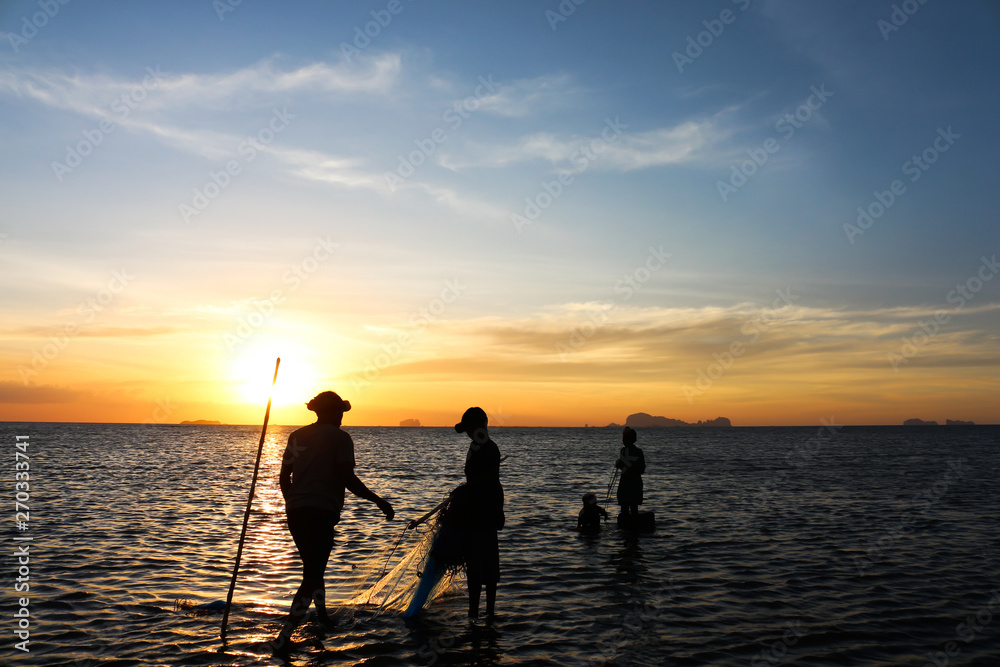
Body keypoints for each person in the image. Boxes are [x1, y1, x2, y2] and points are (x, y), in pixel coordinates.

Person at [272, 391, 394, 653]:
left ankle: (323, 617)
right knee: (313, 574)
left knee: (314, 569)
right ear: (330, 412)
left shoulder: (297, 436)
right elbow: (347, 478)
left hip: (296, 513)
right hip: (321, 513)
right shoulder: (341, 438)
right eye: (339, 412)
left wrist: (292, 502)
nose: (341, 417)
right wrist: (378, 500)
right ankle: (285, 635)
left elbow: (284, 477)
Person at [454, 406, 504, 621]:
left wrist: (468, 487)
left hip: (484, 512)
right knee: (477, 564)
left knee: (484, 564)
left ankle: (486, 613)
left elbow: (491, 476)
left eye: (469, 428)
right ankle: (476, 614)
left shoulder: (488, 447)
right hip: (476, 512)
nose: (467, 433)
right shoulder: (477, 446)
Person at [615, 426, 646, 518]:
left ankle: (631, 527)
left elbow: (641, 468)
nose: (623, 440)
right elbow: (625, 467)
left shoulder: (637, 452)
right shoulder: (623, 451)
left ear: (632, 439)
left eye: (625, 438)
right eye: (623, 438)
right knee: (626, 507)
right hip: (626, 481)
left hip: (633, 482)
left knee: (632, 507)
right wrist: (620, 465)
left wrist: (623, 465)